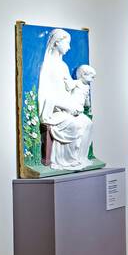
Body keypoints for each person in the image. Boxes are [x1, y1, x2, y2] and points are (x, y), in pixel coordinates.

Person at [36, 29, 94, 169]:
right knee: (74, 124)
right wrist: (66, 107)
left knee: (87, 122)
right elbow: (46, 95)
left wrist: (77, 97)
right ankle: (66, 159)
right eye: (67, 43)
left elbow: (68, 89)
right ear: (56, 43)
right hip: (54, 110)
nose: (69, 47)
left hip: (66, 107)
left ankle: (80, 157)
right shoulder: (48, 66)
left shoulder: (63, 66)